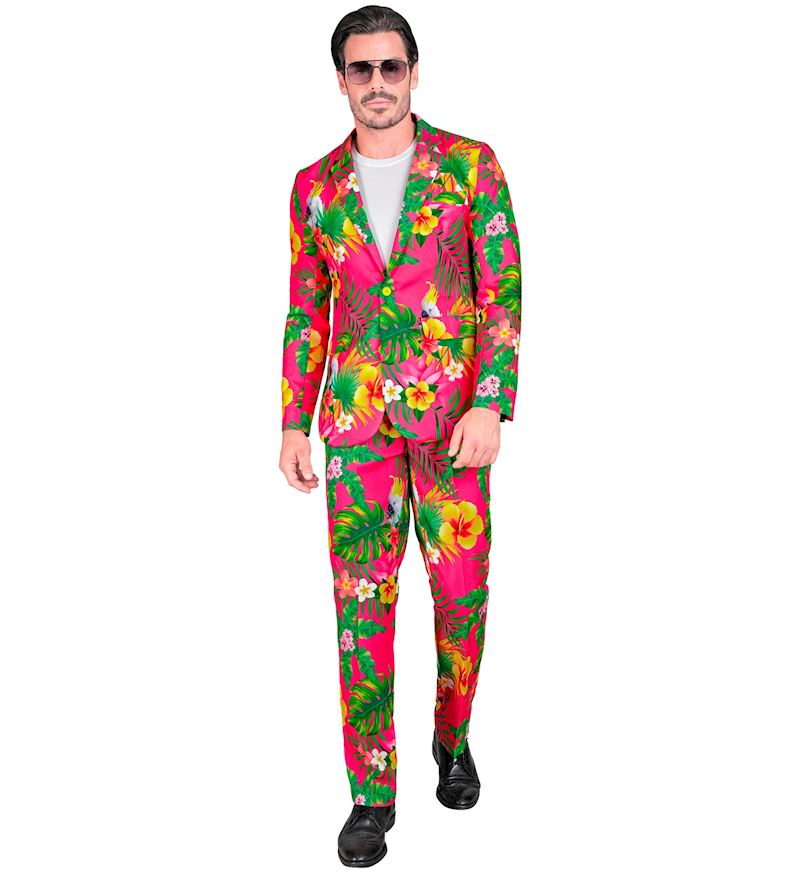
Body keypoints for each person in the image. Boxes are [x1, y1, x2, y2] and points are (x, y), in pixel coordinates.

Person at [278, 5, 522, 866]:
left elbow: (501, 291)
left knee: (461, 595)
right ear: (341, 80)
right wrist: (293, 421)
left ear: (413, 72)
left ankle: (452, 739)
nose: (377, 83)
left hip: (454, 426)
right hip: (356, 432)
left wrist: (491, 403)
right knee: (361, 608)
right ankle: (371, 793)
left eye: (391, 67)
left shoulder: (470, 166)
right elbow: (307, 309)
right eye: (361, 69)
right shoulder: (314, 187)